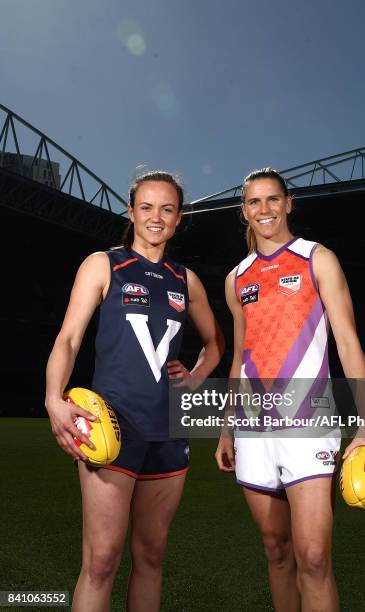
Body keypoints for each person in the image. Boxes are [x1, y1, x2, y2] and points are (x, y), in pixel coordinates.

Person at [215, 168, 365, 612]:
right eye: (254, 202)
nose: (265, 210)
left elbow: (348, 340)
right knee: (276, 551)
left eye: (273, 200)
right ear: (243, 212)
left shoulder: (318, 258)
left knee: (314, 558)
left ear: (288, 203)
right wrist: (226, 427)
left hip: (309, 422)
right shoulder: (236, 278)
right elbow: (240, 356)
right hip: (253, 428)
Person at [45, 171, 224, 612]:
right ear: (131, 212)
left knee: (151, 556)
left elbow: (217, 343)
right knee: (102, 560)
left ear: (178, 218)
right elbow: (68, 339)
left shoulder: (187, 279)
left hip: (169, 430)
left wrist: (198, 376)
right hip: (112, 426)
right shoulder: (104, 264)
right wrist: (53, 398)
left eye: (167, 209)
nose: (156, 217)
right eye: (147, 207)